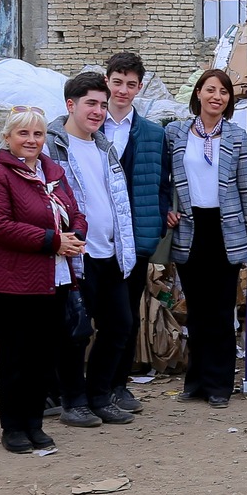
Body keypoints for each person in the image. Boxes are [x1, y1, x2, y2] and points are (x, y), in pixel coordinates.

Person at [0, 106, 86, 454]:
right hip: (14, 283)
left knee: (42, 357)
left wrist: (76, 234)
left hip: (54, 280)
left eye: (38, 134)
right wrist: (54, 241)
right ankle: (13, 427)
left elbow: (75, 211)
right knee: (15, 358)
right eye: (23, 133)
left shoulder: (53, 173)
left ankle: (34, 424)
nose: (31, 140)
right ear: (7, 138)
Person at [164, 68, 247, 409]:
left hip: (226, 231)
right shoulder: (176, 133)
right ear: (198, 93)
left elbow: (246, 191)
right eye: (210, 90)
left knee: (221, 312)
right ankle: (195, 381)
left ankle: (219, 384)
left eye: (223, 92)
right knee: (196, 311)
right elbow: (165, 181)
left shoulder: (237, 137)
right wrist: (168, 210)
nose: (216, 97)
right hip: (190, 229)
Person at [46, 71, 140, 429]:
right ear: (71, 105)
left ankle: (100, 396)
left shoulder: (105, 147)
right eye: (91, 103)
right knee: (75, 333)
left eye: (102, 104)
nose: (98, 111)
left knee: (119, 327)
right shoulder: (52, 148)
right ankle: (74, 402)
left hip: (110, 254)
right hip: (76, 257)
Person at [101, 51, 173, 407]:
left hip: (135, 236)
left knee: (126, 314)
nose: (123, 90)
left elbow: (162, 184)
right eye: (117, 82)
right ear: (107, 82)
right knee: (89, 313)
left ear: (139, 87)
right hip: (95, 237)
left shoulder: (153, 134)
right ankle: (81, 388)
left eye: (131, 84)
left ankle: (118, 384)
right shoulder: (89, 126)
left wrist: (157, 219)